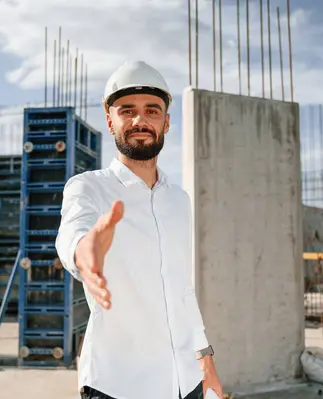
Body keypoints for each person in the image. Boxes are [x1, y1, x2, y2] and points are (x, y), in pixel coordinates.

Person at [56, 60, 223, 399]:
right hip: (119, 386)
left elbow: (181, 288)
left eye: (151, 110)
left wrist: (205, 361)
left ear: (166, 121)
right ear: (110, 120)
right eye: (127, 110)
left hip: (185, 382)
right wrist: (84, 253)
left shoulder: (179, 200)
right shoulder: (88, 188)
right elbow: (73, 231)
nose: (139, 120)